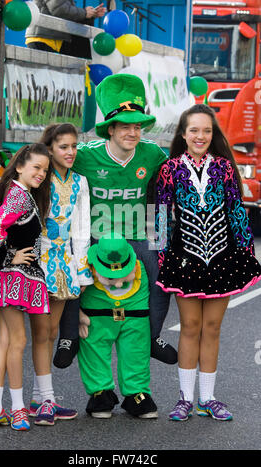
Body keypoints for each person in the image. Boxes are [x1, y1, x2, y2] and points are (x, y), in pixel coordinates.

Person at [54, 73, 177, 368]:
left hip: (138, 232)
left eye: (137, 126)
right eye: (125, 127)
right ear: (110, 130)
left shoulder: (152, 154)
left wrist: (162, 241)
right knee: (71, 267)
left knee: (164, 273)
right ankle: (68, 337)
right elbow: (44, 161)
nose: (132, 133)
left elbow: (163, 193)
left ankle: (151, 338)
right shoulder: (84, 156)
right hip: (96, 234)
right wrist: (5, 182)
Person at [155, 104, 261, 421]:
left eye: (207, 130)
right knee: (190, 327)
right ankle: (185, 399)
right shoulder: (169, 169)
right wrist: (161, 255)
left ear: (212, 135)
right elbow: (159, 216)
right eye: (194, 130)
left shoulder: (226, 169)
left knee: (212, 328)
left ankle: (207, 398)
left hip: (224, 259)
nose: (201, 136)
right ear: (184, 134)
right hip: (184, 260)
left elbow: (236, 212)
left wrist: (246, 253)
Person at [0, 144, 52, 431]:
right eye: (36, 167)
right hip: (14, 277)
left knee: (5, 341)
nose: (42, 174)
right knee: (18, 341)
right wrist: (9, 257)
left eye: (45, 170)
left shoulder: (20, 193)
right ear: (20, 165)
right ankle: (19, 409)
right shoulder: (19, 197)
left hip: (11, 276)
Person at [28, 122, 93, 425]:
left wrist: (80, 275)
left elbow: (81, 232)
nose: (70, 152)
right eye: (63, 146)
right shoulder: (39, 178)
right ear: (50, 148)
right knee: (41, 333)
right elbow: (13, 198)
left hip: (64, 265)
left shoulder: (80, 182)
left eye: (73, 146)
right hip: (35, 264)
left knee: (51, 333)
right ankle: (47, 400)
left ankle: (40, 398)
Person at [78, 233, 158, 419]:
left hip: (138, 245)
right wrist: (75, 317)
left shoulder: (142, 255)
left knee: (136, 348)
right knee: (93, 344)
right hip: (97, 303)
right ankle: (100, 393)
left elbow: (158, 205)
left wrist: (158, 245)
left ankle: (137, 392)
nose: (119, 282)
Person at [25, 0, 107, 59]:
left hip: (52, 40)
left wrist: (90, 14)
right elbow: (60, 10)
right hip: (43, 40)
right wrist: (84, 13)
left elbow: (66, 15)